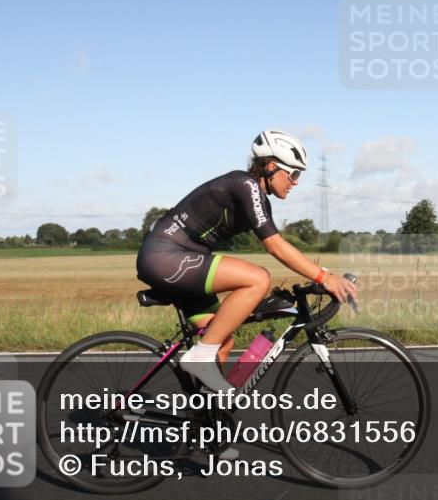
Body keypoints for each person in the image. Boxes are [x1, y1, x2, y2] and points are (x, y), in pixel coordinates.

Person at [136, 130, 358, 393]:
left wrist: (320, 276)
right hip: (167, 256)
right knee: (258, 279)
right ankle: (200, 357)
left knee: (221, 341)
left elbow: (279, 242)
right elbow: (275, 245)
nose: (296, 182)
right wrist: (324, 277)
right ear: (272, 167)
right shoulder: (246, 184)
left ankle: (208, 418)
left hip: (182, 259)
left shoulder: (258, 198)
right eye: (294, 174)